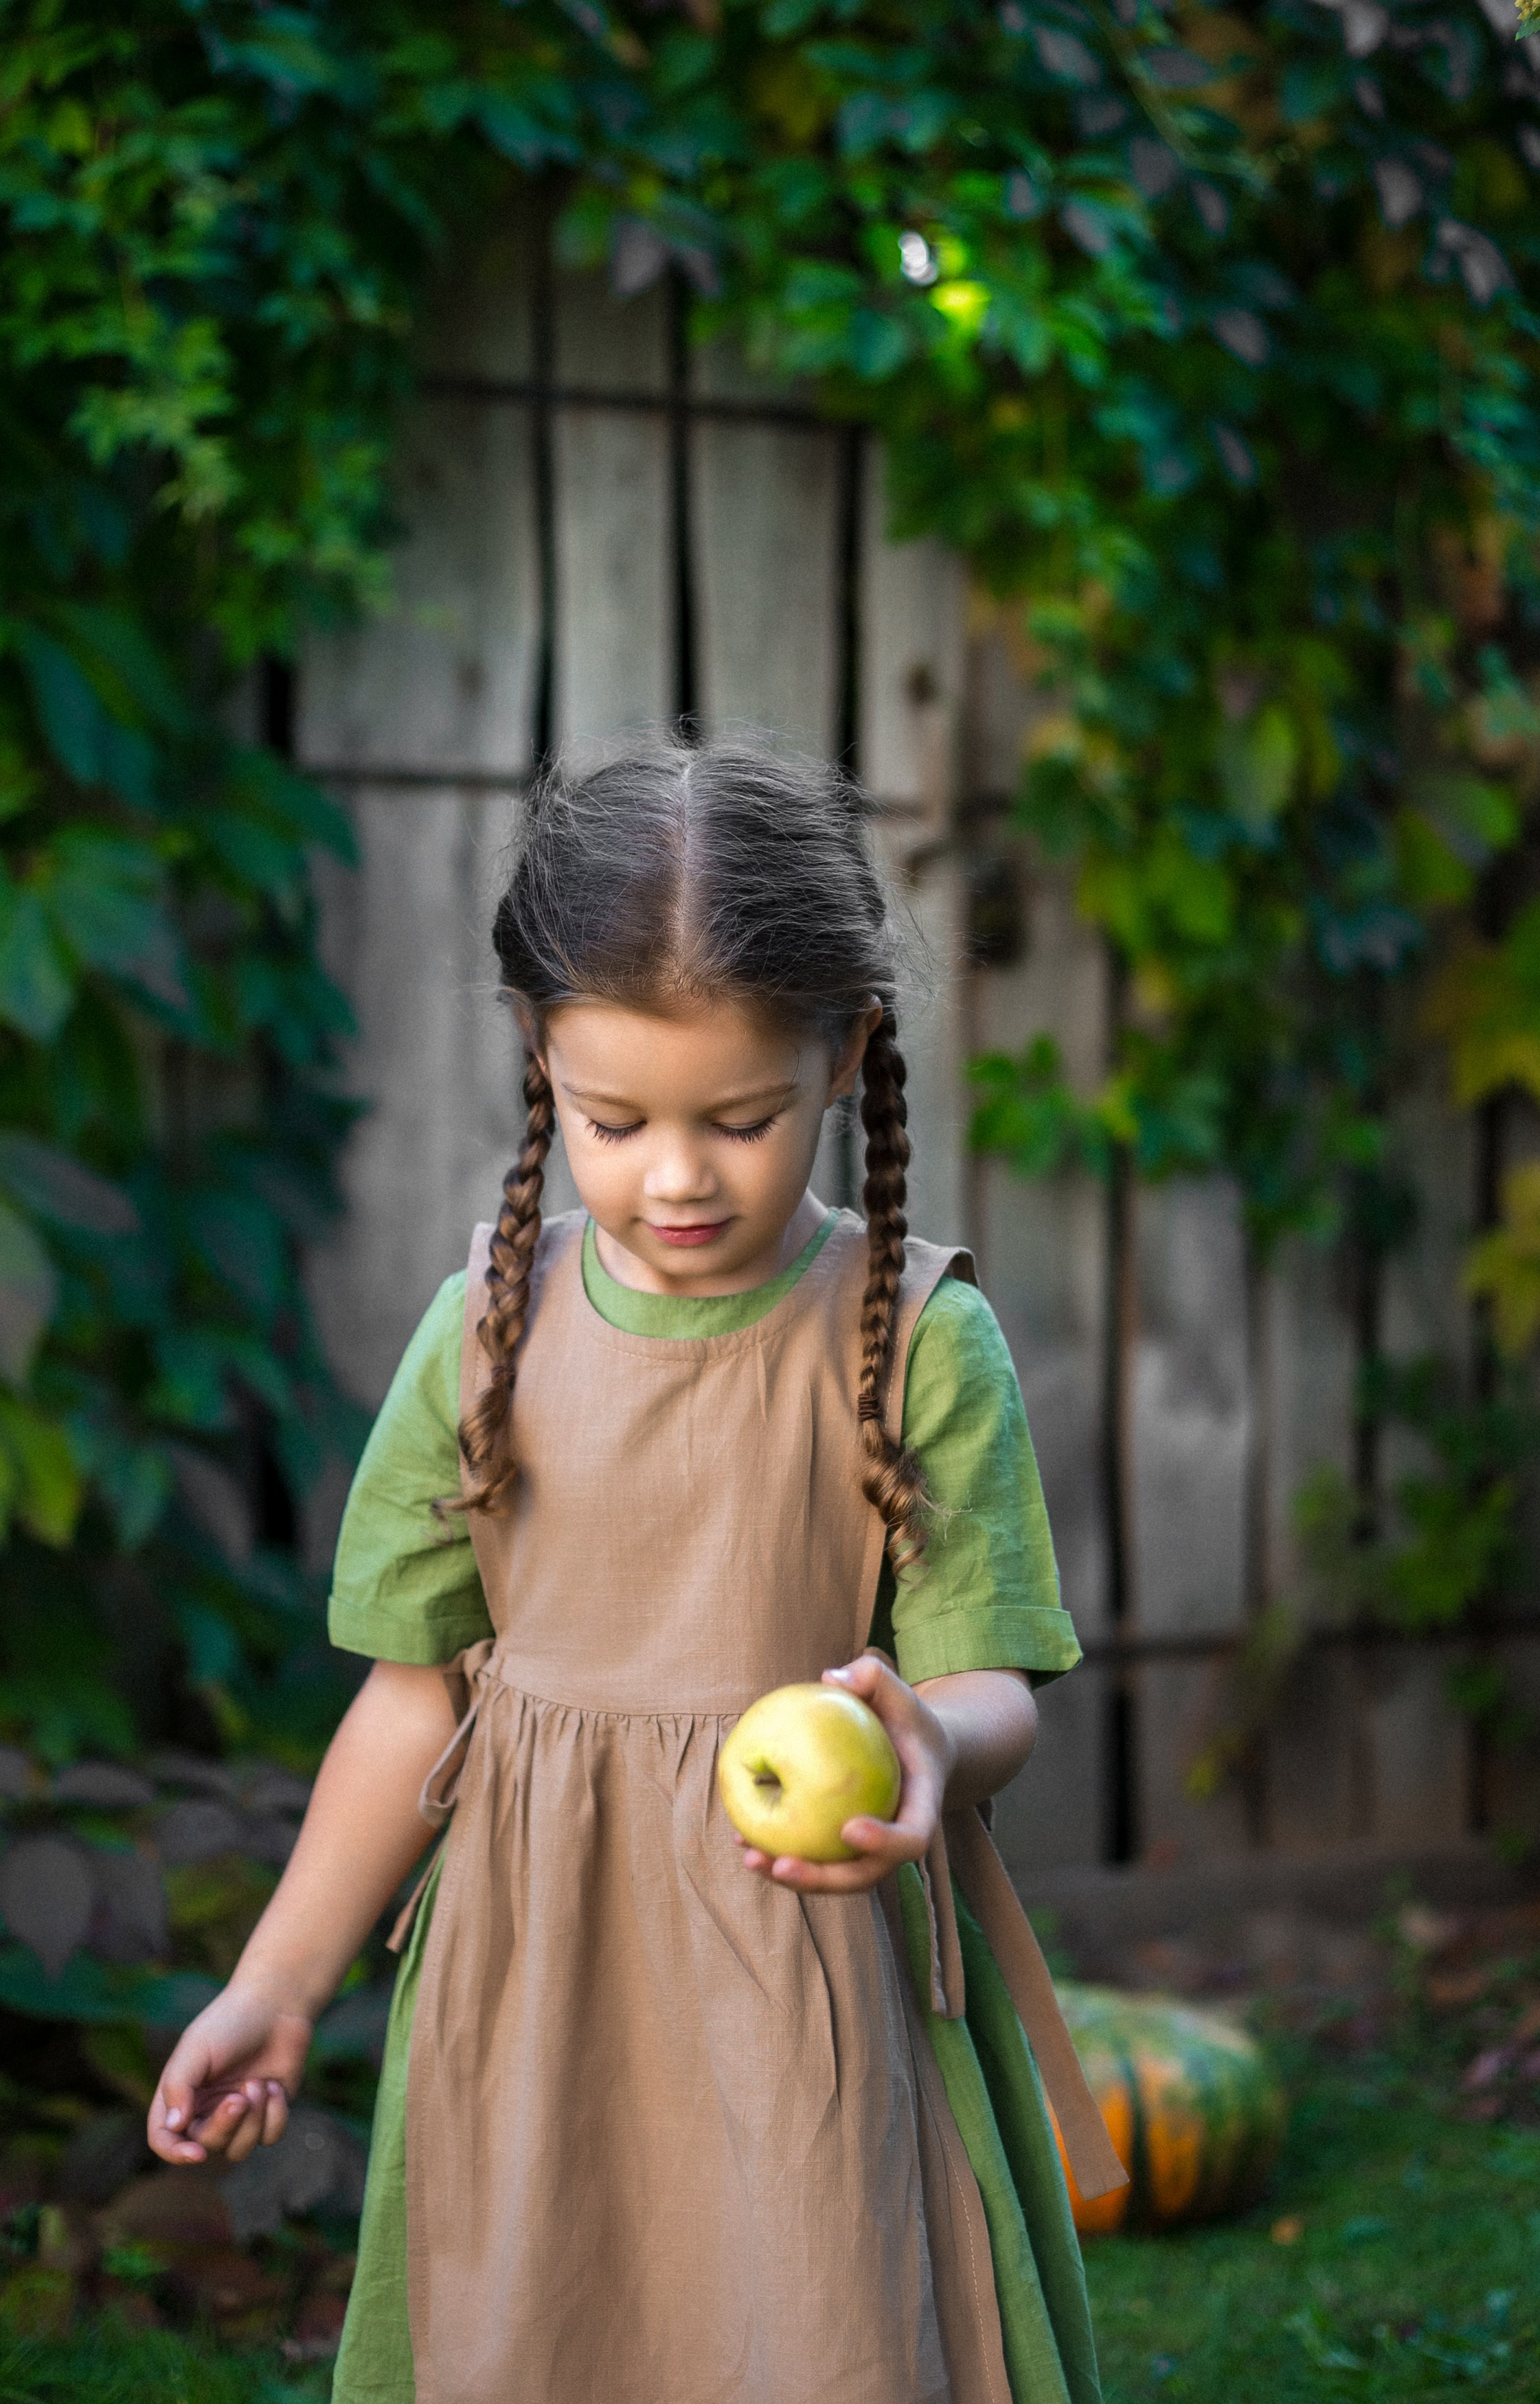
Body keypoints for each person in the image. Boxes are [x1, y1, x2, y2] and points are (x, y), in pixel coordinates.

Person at [146, 738, 1122, 2404]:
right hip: (541, 1989)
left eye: (738, 1120)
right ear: (542, 1057)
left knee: (817, 2325)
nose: (677, 1174)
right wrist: (278, 1979)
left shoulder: (919, 1348)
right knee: (550, 2318)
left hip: (808, 1976)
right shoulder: (483, 1339)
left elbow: (991, 1684)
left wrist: (930, 1743)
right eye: (616, 1119)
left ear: (843, 1058)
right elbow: (409, 1705)